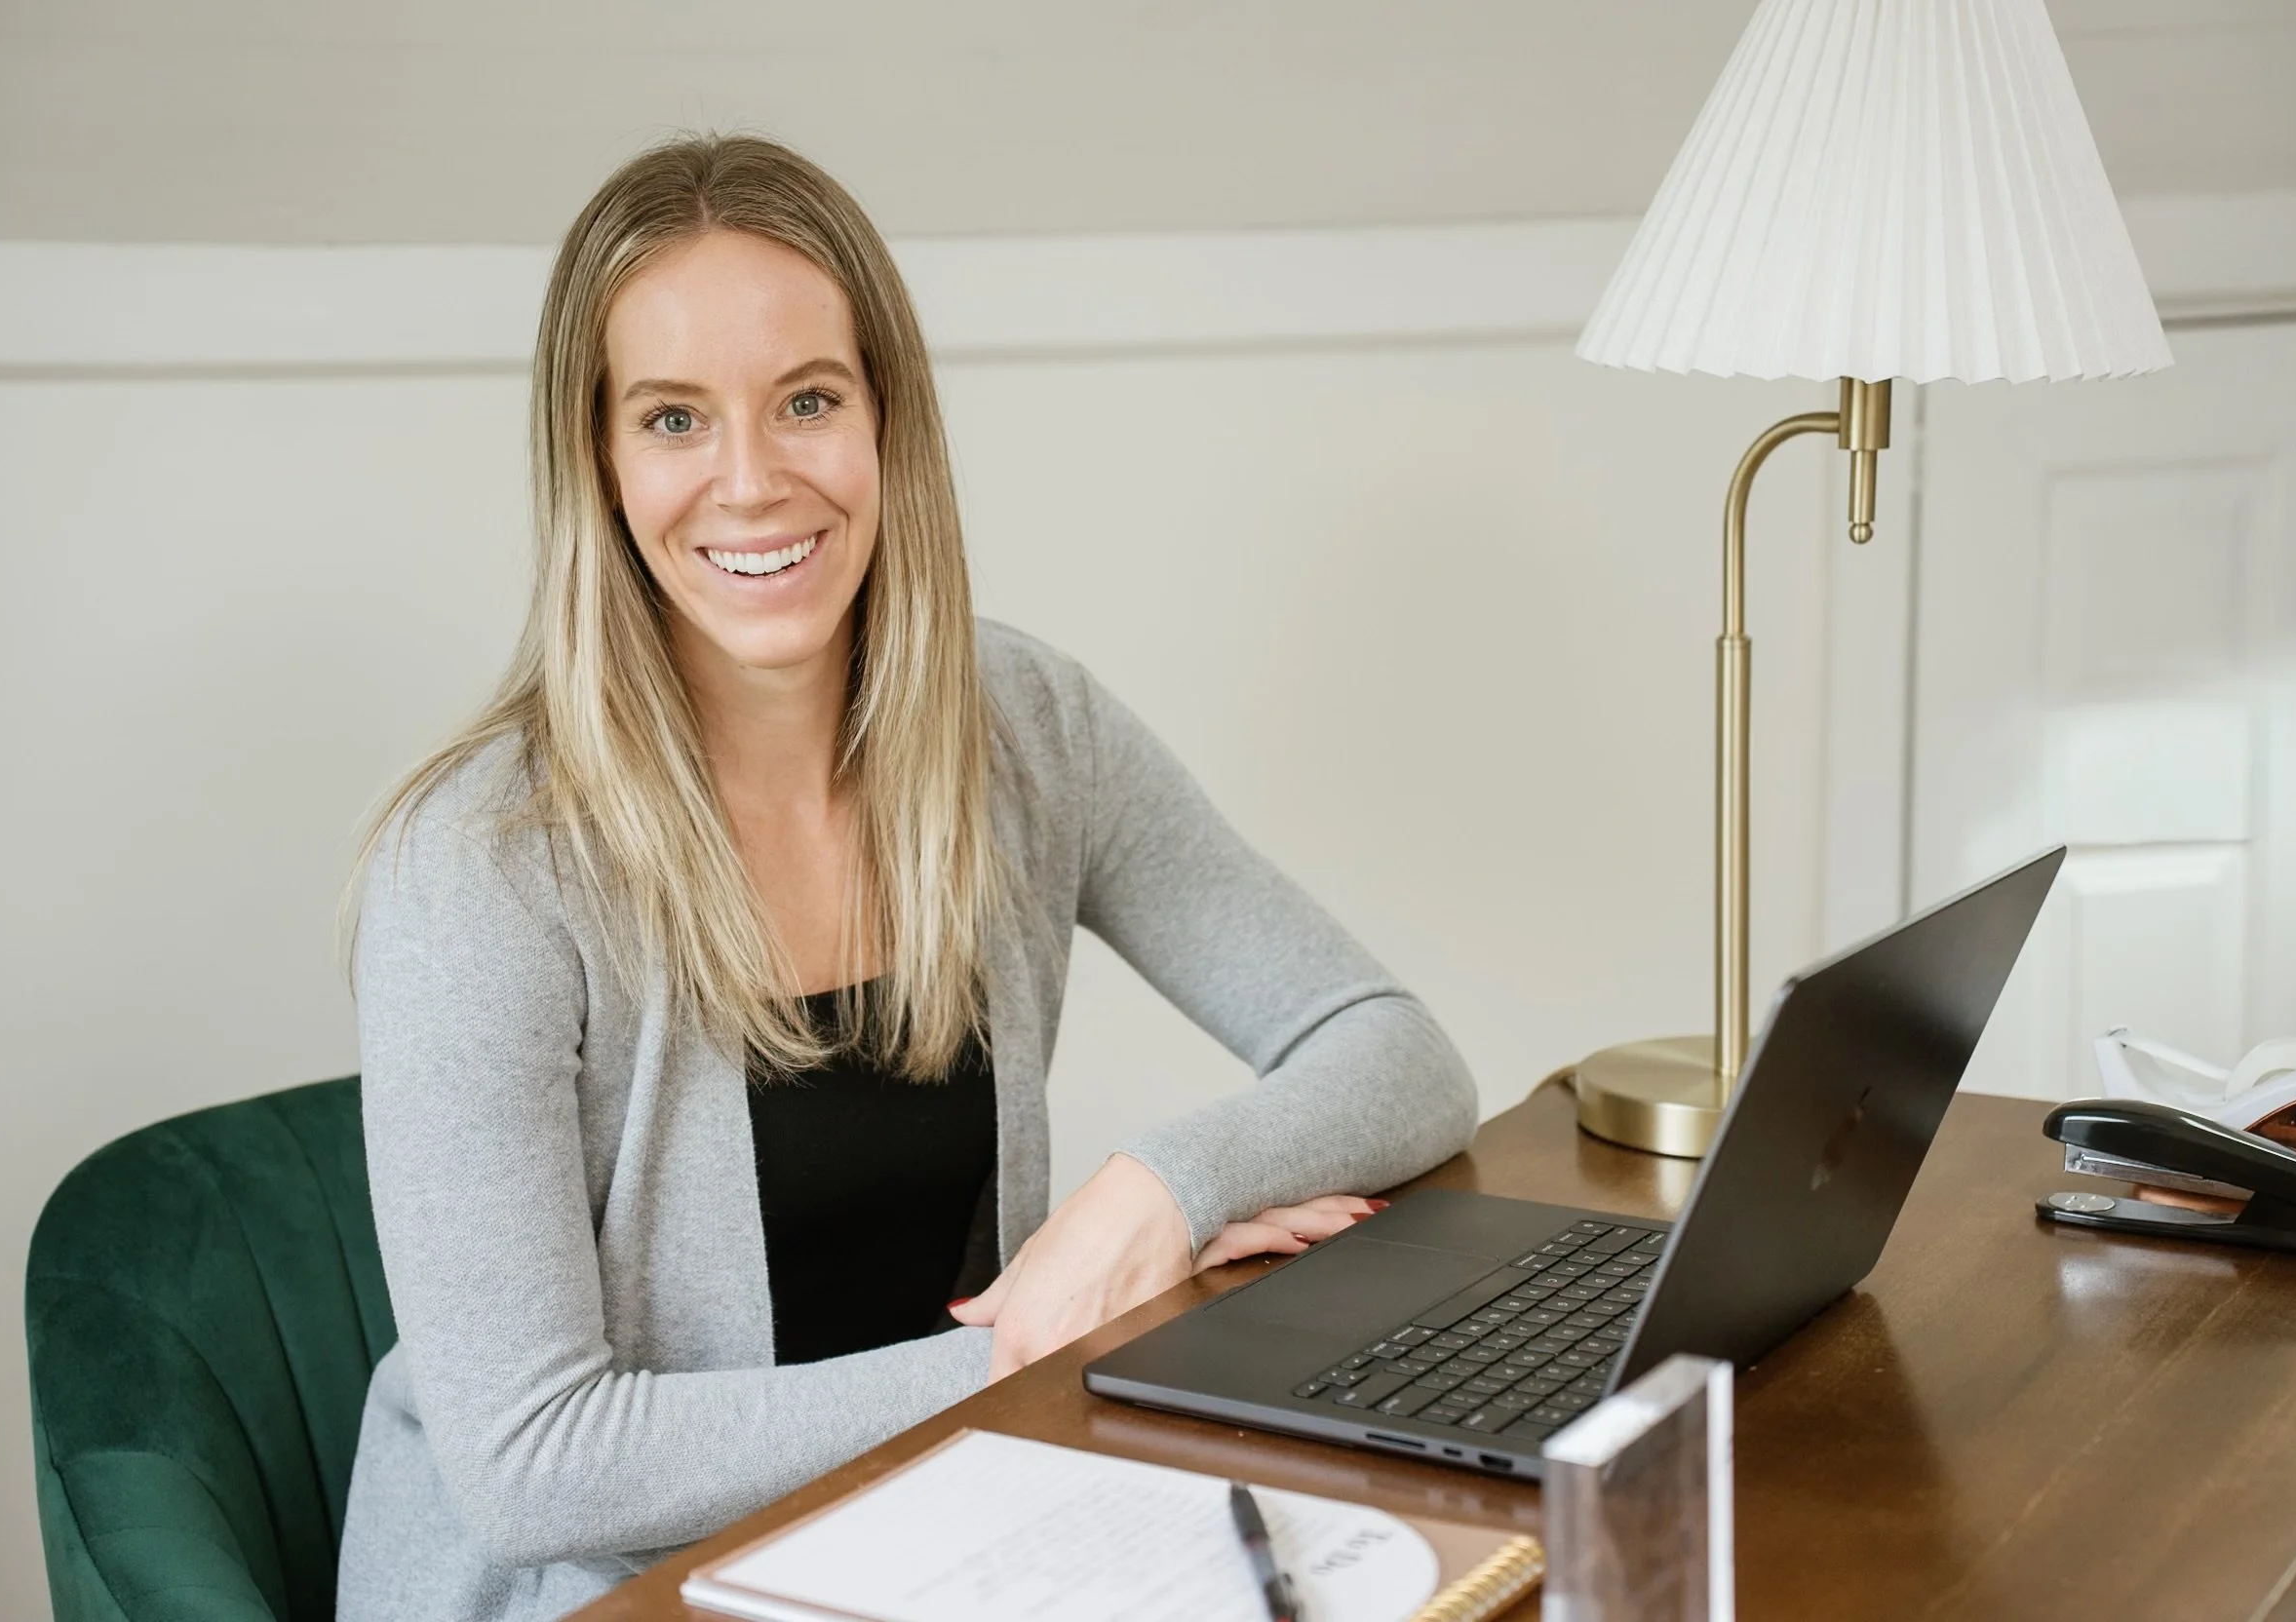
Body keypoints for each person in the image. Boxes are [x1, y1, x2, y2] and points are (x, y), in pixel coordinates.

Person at [336, 133, 1477, 1622]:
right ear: (601, 466)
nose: (751, 482)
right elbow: (537, 1466)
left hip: (952, 1530)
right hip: (601, 1590)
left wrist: (1157, 1196)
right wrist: (1057, 1341)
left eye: (807, 400)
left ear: (888, 424)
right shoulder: (482, 866)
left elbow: (1401, 1058)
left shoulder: (1025, 731)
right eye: (675, 418)